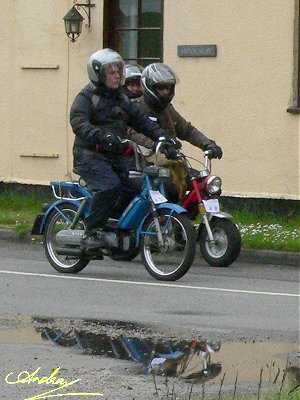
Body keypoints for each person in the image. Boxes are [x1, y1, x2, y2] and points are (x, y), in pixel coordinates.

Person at [70, 49, 179, 250]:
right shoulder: (86, 98)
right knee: (109, 186)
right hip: (90, 156)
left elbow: (142, 121)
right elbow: (79, 123)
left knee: (133, 186)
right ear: (98, 75)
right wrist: (101, 136)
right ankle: (91, 232)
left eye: (118, 71)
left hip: (116, 156)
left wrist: (163, 137)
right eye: (111, 72)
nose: (117, 76)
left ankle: (115, 227)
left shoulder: (122, 98)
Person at [128, 63, 223, 201]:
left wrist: (207, 143)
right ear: (149, 86)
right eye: (161, 88)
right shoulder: (135, 107)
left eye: (169, 88)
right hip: (143, 164)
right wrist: (157, 146)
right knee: (168, 184)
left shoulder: (167, 110)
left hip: (171, 160)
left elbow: (187, 130)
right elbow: (132, 133)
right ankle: (168, 218)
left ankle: (186, 219)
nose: (166, 92)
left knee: (204, 184)